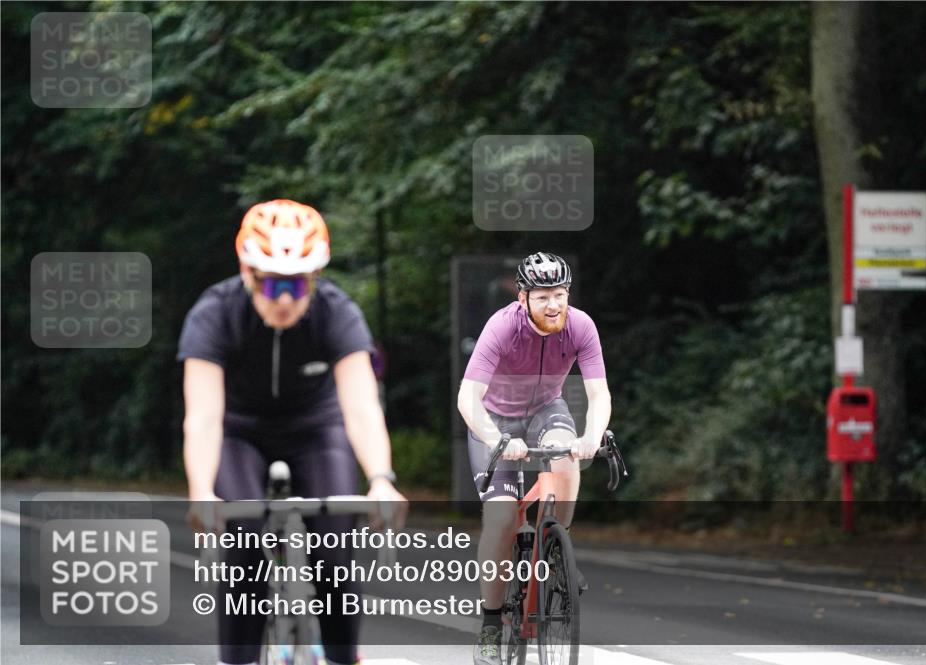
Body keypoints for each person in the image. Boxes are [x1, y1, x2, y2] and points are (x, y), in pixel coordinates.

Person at [178, 199, 406, 665]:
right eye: (273, 283)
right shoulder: (215, 313)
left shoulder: (336, 311)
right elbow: (202, 416)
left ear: (315, 278)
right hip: (239, 430)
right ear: (247, 272)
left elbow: (362, 406)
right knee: (241, 539)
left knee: (336, 546)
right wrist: (201, 490)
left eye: (298, 284)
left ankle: (344, 657)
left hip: (316, 428)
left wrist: (382, 477)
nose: (285, 299)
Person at [456, 252, 612, 665]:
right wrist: (495, 439)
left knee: (566, 457)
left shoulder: (580, 326)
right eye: (542, 296)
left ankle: (558, 548)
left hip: (547, 409)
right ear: (523, 298)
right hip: (496, 419)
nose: (553, 305)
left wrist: (591, 436)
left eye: (559, 294)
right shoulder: (502, 327)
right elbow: (467, 397)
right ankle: (491, 624)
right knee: (502, 519)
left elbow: (598, 394)